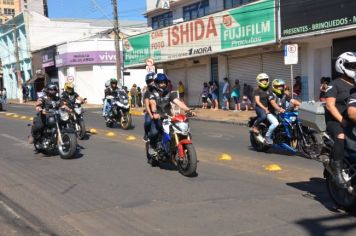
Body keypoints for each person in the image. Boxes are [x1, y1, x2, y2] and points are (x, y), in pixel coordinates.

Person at [325, 52, 356, 187]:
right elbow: (329, 105)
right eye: (352, 66)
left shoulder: (354, 84)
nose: (354, 68)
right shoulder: (335, 84)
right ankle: (336, 169)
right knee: (341, 136)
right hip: (335, 121)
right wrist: (341, 120)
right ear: (341, 66)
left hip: (351, 119)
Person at [148, 73, 195, 156]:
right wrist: (155, 112)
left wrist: (188, 110)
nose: (163, 84)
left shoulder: (169, 93)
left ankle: (176, 147)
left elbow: (178, 102)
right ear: (156, 83)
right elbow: (152, 103)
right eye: (160, 82)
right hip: (158, 117)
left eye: (164, 82)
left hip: (168, 116)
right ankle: (152, 146)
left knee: (180, 129)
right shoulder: (152, 93)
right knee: (154, 132)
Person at [251, 73, 283, 145]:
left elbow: (272, 101)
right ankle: (254, 127)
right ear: (259, 81)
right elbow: (257, 101)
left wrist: (279, 108)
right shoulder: (257, 90)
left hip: (267, 109)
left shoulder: (269, 90)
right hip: (259, 107)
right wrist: (264, 108)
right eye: (262, 80)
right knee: (263, 116)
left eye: (265, 80)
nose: (264, 81)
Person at [142, 72, 157, 142]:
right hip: (150, 112)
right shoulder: (147, 93)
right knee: (148, 122)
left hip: (162, 112)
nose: (151, 83)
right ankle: (146, 133)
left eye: (152, 81)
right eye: (149, 82)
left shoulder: (161, 90)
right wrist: (150, 114)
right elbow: (147, 104)